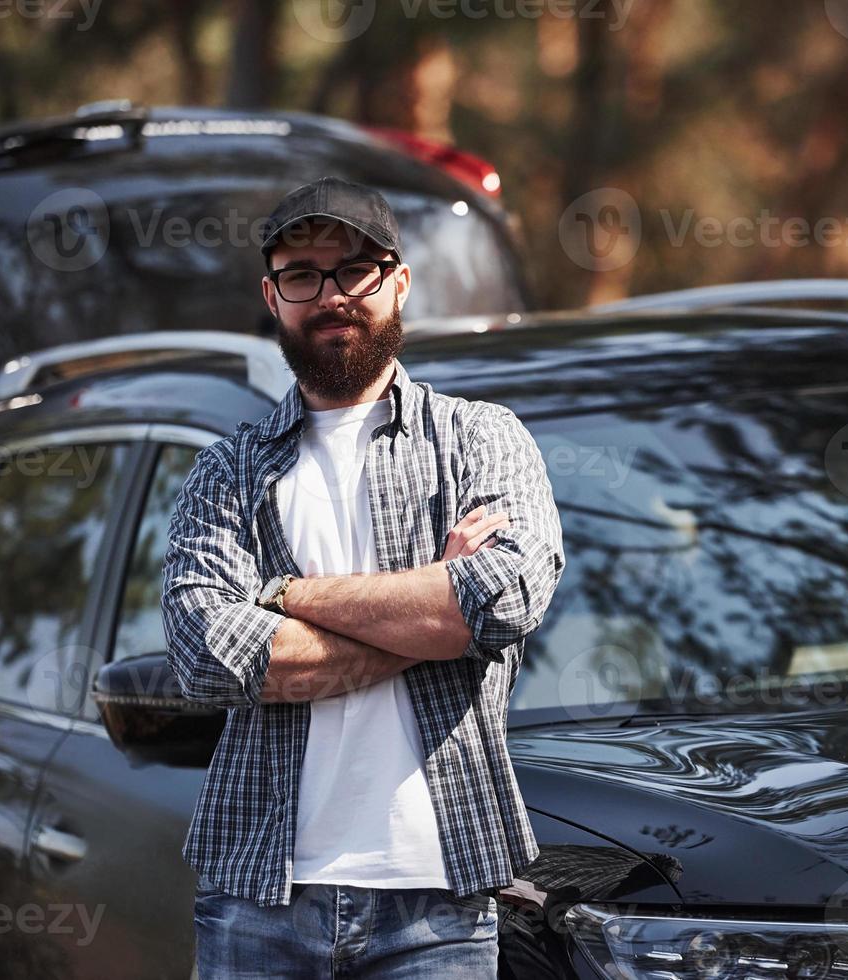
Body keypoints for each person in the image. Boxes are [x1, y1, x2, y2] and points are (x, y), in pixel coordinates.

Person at [160, 175, 565, 978]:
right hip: (259, 900)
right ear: (272, 297)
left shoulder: (481, 440)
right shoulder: (226, 473)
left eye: (354, 269)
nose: (332, 294)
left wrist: (280, 597)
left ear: (399, 282)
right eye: (302, 275)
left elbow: (503, 600)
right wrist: (436, 612)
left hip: (437, 903)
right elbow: (209, 655)